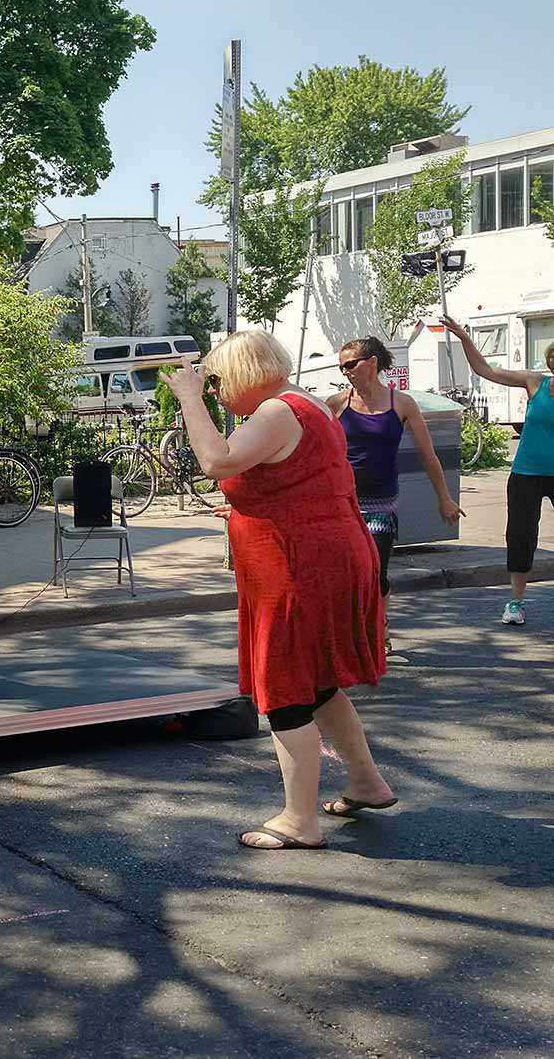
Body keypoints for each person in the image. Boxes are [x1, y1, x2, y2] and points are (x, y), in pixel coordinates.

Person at [161, 332, 394, 850]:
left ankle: (299, 821)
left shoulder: (274, 411)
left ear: (245, 373)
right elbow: (297, 481)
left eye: (219, 380)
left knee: (286, 689)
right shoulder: (306, 404)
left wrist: (189, 397)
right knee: (318, 683)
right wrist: (248, 509)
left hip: (297, 566)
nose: (217, 391)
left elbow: (216, 461)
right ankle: (366, 782)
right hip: (322, 553)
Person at [328, 336, 464, 649]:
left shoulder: (401, 403)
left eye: (350, 364)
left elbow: (429, 456)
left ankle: (379, 624)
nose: (345, 371)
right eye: (341, 366)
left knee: (376, 572)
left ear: (371, 363)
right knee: (346, 573)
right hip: (342, 502)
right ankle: (352, 631)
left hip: (382, 502)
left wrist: (445, 498)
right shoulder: (337, 404)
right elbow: (312, 450)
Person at [441, 316, 554, 625]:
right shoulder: (535, 382)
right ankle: (516, 603)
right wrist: (465, 338)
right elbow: (486, 370)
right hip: (526, 474)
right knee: (520, 536)